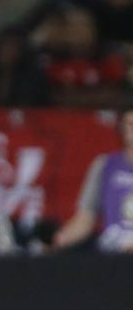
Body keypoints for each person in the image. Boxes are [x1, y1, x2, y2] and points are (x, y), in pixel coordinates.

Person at [53, 107, 133, 252]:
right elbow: (85, 218)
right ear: (121, 128)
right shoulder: (104, 166)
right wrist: (59, 240)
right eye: (129, 123)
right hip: (114, 252)